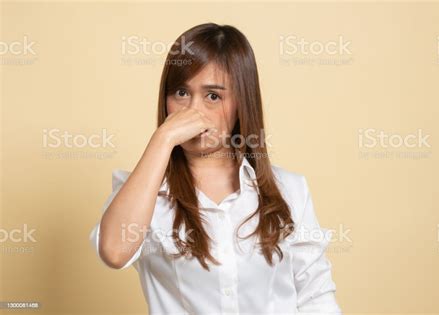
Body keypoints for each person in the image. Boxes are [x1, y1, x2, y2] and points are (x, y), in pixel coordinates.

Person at [89, 22, 342, 315]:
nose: (194, 111)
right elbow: (114, 252)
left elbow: (316, 297)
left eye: (213, 96)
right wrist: (163, 139)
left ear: (240, 104)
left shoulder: (290, 190)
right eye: (181, 93)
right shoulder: (145, 193)